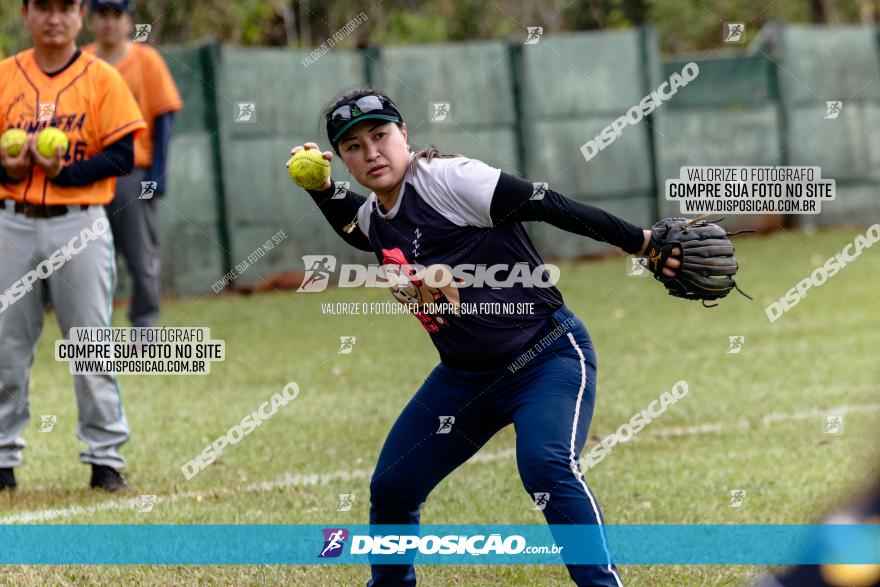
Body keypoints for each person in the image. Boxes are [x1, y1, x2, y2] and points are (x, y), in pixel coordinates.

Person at [288, 89, 682, 586]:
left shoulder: (450, 180)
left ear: (404, 134)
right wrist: (322, 190)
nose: (370, 152)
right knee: (393, 485)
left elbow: (547, 203)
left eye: (380, 135)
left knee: (546, 468)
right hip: (465, 380)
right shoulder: (375, 215)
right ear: (342, 158)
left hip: (546, 357)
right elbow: (359, 229)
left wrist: (642, 243)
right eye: (353, 146)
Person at [0, 0, 146, 492]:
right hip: (11, 223)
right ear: (27, 13)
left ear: (80, 14)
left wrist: (66, 174)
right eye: (43, 7)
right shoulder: (5, 75)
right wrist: (8, 170)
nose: (54, 17)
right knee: (5, 347)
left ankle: (104, 459)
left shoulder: (102, 77)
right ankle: (1, 459)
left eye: (65, 7)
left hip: (79, 224)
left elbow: (124, 156)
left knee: (91, 345)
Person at [85, 0, 182, 327]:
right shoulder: (82, 62)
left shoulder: (146, 60)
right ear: (90, 21)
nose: (109, 23)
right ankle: (95, 330)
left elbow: (164, 119)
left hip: (133, 175)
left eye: (117, 15)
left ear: (127, 21)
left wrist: (158, 177)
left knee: (141, 258)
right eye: (102, 15)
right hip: (90, 174)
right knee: (92, 260)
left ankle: (144, 327)